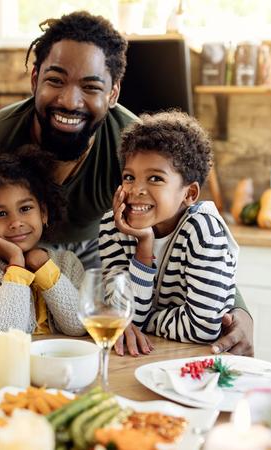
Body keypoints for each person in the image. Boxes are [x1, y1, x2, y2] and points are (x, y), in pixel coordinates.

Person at [0, 11, 253, 357]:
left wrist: (239, 310)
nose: (70, 101)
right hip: (5, 262)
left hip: (95, 257)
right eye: (55, 80)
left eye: (90, 86)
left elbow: (191, 225)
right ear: (35, 79)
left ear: (113, 92)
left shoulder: (131, 146)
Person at [100, 111, 237, 348]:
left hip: (195, 360)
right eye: (129, 177)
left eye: (155, 178)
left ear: (189, 194)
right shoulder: (113, 226)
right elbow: (122, 316)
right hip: (146, 354)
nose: (136, 189)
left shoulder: (203, 231)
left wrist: (147, 320)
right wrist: (144, 246)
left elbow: (203, 328)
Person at [0, 149, 85, 336]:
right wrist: (16, 262)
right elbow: (5, 330)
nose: (15, 222)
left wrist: (42, 266)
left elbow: (79, 325)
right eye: (0, 214)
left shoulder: (68, 263)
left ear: (43, 213)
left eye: (25, 208)